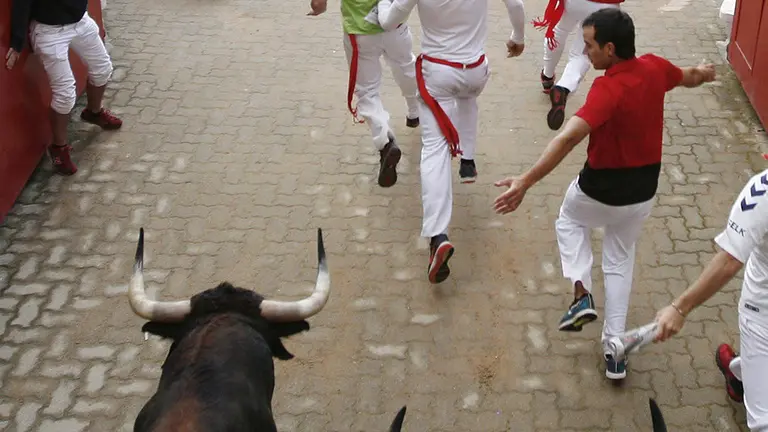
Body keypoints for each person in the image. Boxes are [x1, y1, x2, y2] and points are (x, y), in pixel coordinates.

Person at [492, 8, 715, 379]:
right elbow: (688, 76)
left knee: (569, 220)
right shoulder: (655, 67)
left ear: (610, 48)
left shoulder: (608, 88)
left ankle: (581, 294)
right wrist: (705, 74)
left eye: (589, 45)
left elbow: (568, 138)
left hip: (599, 188)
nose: (586, 52)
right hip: (643, 190)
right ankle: (615, 351)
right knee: (619, 259)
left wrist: (525, 181)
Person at [375, 0, 526, 284]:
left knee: (434, 150)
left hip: (439, 72)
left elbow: (388, 22)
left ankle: (438, 235)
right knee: (467, 98)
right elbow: (516, 4)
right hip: (476, 70)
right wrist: (518, 37)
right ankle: (468, 161)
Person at [654, 168, 768, 431]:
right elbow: (729, 260)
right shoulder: (761, 192)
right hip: (762, 315)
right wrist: (679, 309)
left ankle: (737, 372)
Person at [308, 0, 421, 188]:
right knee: (406, 68)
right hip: (395, 25)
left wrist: (319, 7)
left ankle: (385, 141)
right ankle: (415, 112)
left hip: (360, 30)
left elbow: (318, 3)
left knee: (367, 91)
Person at [6, 0, 123, 176]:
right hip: (49, 30)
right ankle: (58, 148)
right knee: (65, 94)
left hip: (80, 21)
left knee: (103, 69)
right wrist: (16, 43)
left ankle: (94, 112)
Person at [531, 0, 624, 131]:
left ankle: (547, 76)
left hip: (575, 2)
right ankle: (564, 87)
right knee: (582, 52)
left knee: (559, 31)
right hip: (605, 6)